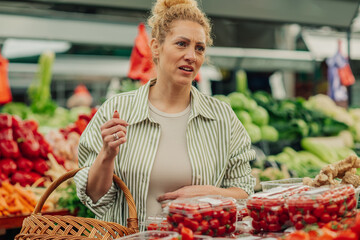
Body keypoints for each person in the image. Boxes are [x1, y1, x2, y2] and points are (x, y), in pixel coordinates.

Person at [74, 0, 256, 230]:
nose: (192, 55)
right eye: (182, 44)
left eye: (199, 48)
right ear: (156, 47)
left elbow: (245, 191)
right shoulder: (116, 110)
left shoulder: (222, 117)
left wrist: (208, 193)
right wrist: (107, 154)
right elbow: (93, 197)